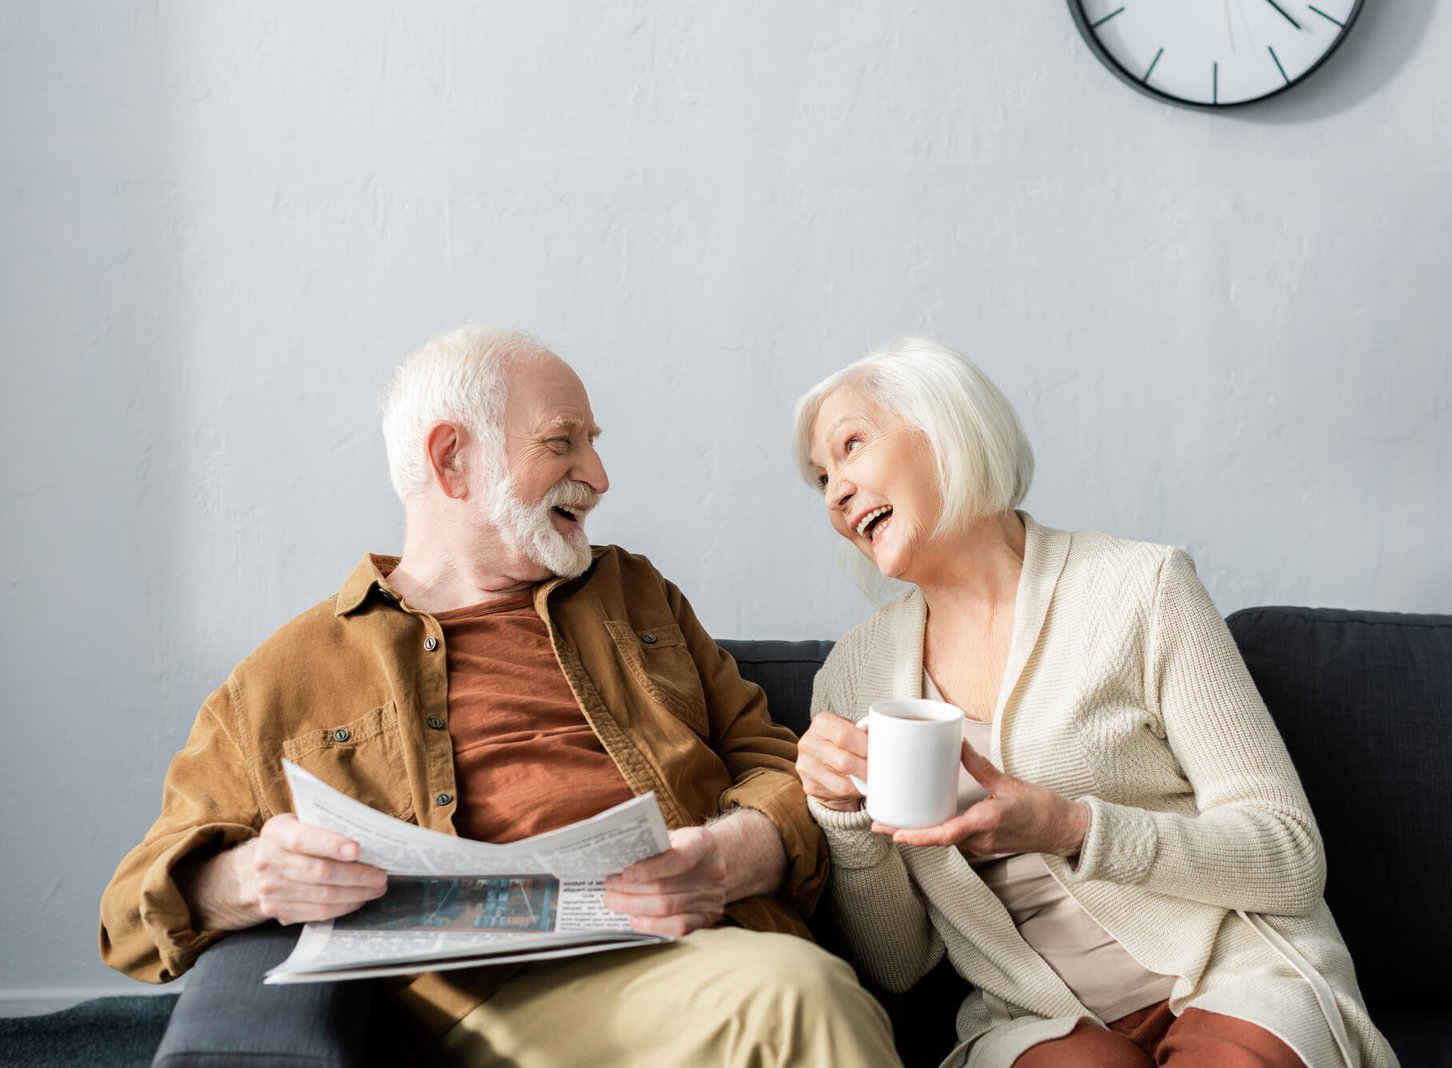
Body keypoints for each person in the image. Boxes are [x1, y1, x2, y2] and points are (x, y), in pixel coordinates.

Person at [100, 325, 898, 1067]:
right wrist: (245, 881)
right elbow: (126, 918)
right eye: (563, 442)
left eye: (593, 443)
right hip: (493, 1004)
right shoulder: (280, 679)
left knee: (790, 983)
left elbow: (768, 758)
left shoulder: (637, 594)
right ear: (451, 460)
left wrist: (736, 853)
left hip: (707, 944)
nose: (598, 475)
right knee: (797, 994)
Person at [792, 336, 1398, 1068]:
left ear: (944, 428)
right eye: (821, 477)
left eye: (851, 446)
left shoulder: (1143, 589)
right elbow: (898, 963)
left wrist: (1072, 828)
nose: (835, 492)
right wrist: (842, 817)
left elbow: (1289, 855)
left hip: (1230, 977)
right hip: (1039, 1022)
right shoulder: (854, 678)